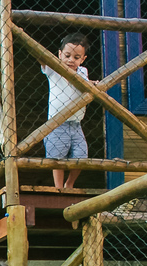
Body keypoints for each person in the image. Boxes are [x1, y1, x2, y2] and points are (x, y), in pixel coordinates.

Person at [42, 33, 90, 189]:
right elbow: (41, 58)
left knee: (81, 157)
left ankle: (69, 184)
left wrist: (93, 84)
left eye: (76, 57)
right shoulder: (53, 69)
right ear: (60, 54)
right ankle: (58, 188)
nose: (71, 60)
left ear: (83, 59)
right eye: (67, 55)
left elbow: (86, 85)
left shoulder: (83, 72)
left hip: (76, 124)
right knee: (57, 157)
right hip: (57, 123)